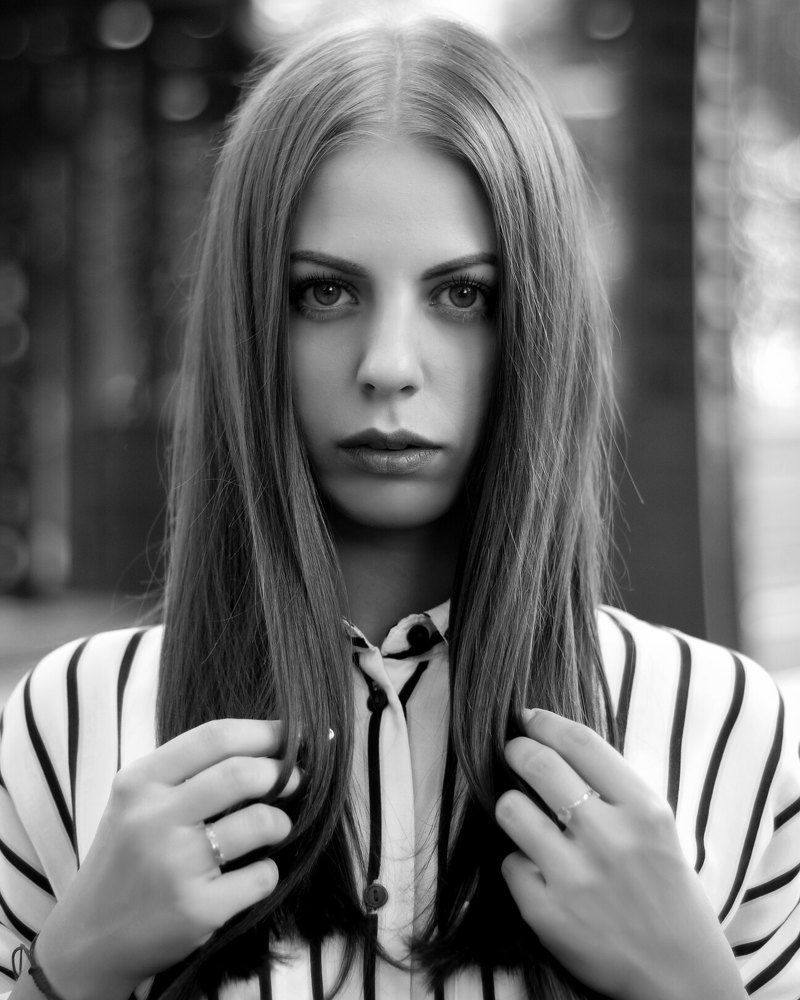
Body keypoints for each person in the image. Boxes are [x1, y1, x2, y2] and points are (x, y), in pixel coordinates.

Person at [1, 16, 798, 1000]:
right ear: (249, 318)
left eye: (461, 296)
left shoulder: (726, 728)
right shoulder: (68, 721)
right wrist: (69, 971)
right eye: (324, 292)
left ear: (539, 320)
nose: (387, 366)